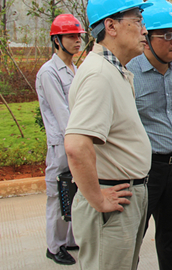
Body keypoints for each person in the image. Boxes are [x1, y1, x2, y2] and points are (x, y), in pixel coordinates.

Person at [64, 0, 152, 270]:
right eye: (138, 20)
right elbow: (77, 146)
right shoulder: (99, 74)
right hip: (112, 202)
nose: (144, 29)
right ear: (111, 26)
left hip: (126, 196)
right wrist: (98, 199)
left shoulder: (114, 70)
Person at [127, 0, 172, 269]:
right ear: (147, 38)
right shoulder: (129, 74)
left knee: (170, 234)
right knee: (132, 237)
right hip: (143, 170)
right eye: (167, 34)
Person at [36, 14, 84, 265]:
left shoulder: (73, 68)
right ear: (57, 40)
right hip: (61, 144)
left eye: (78, 36)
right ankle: (54, 247)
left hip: (73, 140)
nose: (77, 41)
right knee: (57, 194)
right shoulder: (49, 72)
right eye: (71, 37)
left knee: (73, 191)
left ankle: (69, 240)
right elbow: (62, 113)